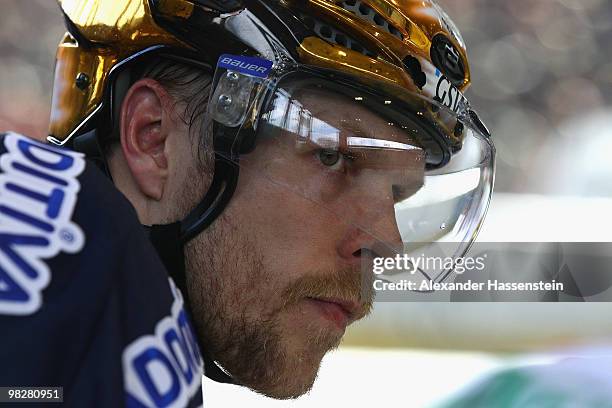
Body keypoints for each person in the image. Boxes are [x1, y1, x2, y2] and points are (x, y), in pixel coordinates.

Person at [0, 0, 495, 406]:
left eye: (396, 193)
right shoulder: (82, 303)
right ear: (153, 139)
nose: (386, 242)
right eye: (332, 157)